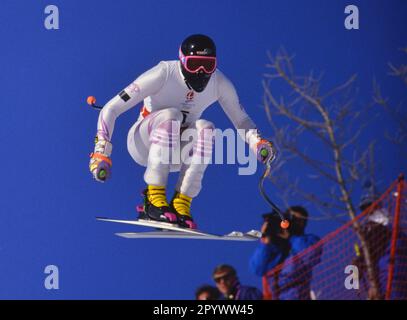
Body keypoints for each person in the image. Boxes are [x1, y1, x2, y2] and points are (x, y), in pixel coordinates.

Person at [89, 34, 276, 229]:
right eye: (194, 64)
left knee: (207, 128)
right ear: (182, 61)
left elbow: (241, 120)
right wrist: (101, 153)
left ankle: (181, 204)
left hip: (176, 153)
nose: (201, 72)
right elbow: (111, 109)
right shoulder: (164, 73)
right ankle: (153, 199)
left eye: (208, 66)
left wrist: (257, 143)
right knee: (172, 115)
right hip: (142, 143)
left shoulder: (219, 82)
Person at [249, 206, 321, 300]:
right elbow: (257, 269)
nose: (296, 222)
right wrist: (265, 241)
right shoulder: (275, 247)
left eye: (301, 220)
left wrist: (291, 237)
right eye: (293, 218)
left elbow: (310, 255)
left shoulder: (308, 240)